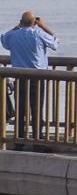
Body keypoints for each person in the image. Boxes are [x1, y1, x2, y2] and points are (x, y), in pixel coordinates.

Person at [3, 11, 58, 148]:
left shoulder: (13, 36)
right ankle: (38, 142)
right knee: (37, 110)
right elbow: (55, 43)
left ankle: (19, 142)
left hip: (20, 77)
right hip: (37, 78)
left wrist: (17, 27)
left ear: (21, 22)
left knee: (21, 110)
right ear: (35, 22)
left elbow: (3, 39)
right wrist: (44, 26)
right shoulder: (39, 34)